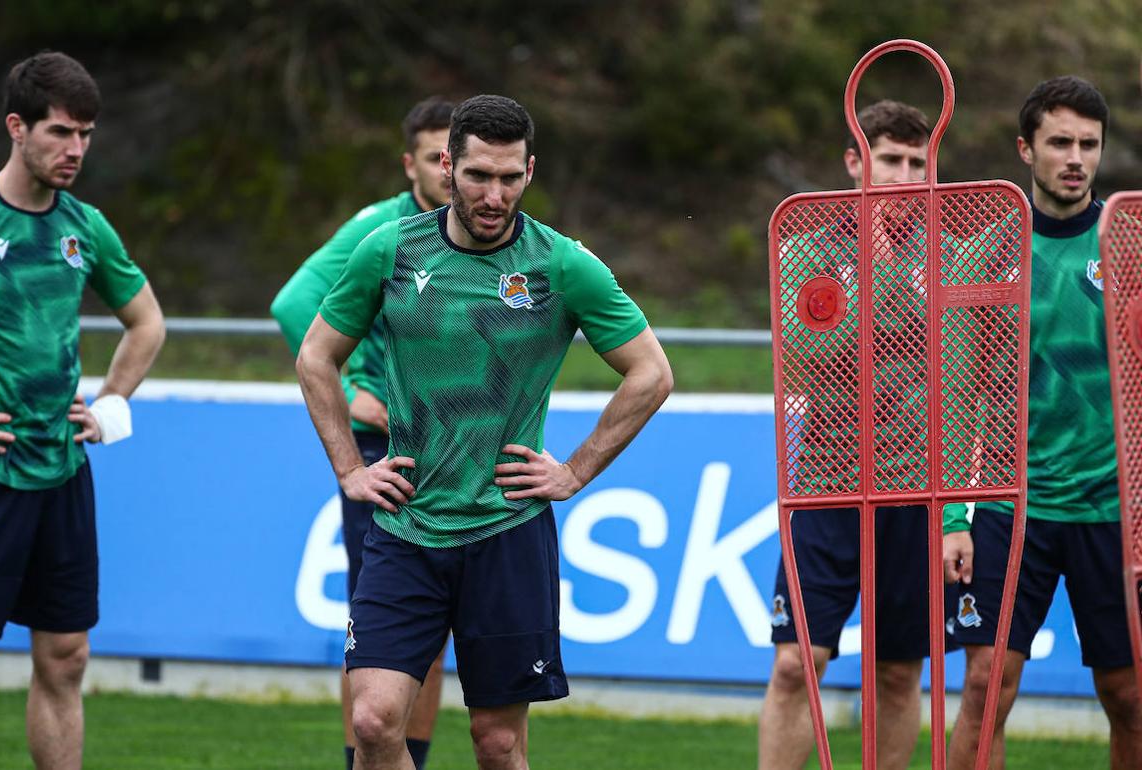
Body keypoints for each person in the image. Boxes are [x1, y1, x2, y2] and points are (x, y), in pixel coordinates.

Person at [296, 94, 672, 770]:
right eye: (478, 176)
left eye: (509, 177)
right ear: (446, 166)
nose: (494, 194)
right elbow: (315, 356)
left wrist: (577, 469)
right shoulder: (388, 250)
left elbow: (650, 373)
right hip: (405, 529)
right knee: (374, 720)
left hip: (507, 534)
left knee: (497, 745)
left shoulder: (563, 265)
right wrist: (350, 469)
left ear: (531, 171)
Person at [0, 52, 165, 769]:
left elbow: (148, 323)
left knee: (67, 658)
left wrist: (110, 402)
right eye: (59, 132)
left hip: (64, 475)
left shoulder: (86, 227)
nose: (75, 149)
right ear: (17, 127)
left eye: (85, 134)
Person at [943, 75, 1142, 770]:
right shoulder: (984, 254)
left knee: (1130, 697)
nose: (1075, 158)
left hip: (1112, 507)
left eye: (1089, 144)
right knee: (985, 690)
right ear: (1026, 150)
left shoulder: (1130, 247)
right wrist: (951, 520)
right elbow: (954, 393)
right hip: (1010, 504)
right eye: (1060, 142)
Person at [759, 100, 959, 770]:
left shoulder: (953, 256)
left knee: (899, 673)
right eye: (889, 159)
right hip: (827, 484)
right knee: (795, 665)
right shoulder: (806, 250)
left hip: (919, 490)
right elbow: (812, 359)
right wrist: (877, 265)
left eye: (916, 162)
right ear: (855, 162)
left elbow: (964, 376)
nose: (904, 176)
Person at [270, 96, 455, 770]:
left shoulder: (482, 236)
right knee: (377, 630)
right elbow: (293, 304)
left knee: (434, 639)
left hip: (455, 454)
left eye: (452, 154)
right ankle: (363, 760)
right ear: (410, 163)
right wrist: (352, 395)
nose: (444, 167)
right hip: (385, 456)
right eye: (433, 155)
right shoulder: (380, 229)